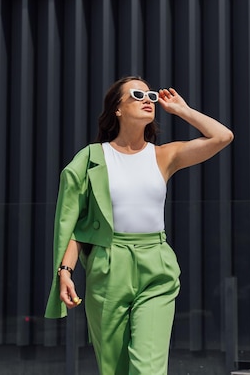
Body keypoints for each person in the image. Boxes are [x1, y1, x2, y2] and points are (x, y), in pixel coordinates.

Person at [45, 76, 233, 375]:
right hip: (108, 264)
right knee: (114, 368)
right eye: (137, 95)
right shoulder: (93, 158)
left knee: (147, 368)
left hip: (155, 263)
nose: (148, 99)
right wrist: (65, 270)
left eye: (152, 96)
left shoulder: (163, 156)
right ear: (117, 109)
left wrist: (183, 110)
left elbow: (222, 137)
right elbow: (79, 225)